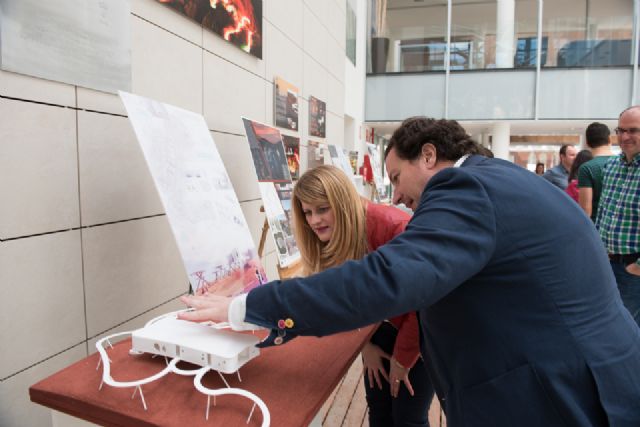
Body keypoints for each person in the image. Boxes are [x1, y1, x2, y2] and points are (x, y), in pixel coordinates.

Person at [180, 117, 640, 426]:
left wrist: (246, 306)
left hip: (557, 395)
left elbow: (387, 281)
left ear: (427, 156)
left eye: (396, 178)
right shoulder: (495, 180)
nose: (395, 196)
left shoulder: (465, 188)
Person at [290, 165, 433, 426]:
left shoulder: (396, 228)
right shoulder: (332, 236)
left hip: (420, 337)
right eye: (307, 212)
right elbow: (344, 302)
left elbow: (422, 307)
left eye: (322, 209)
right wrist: (366, 345)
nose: (314, 221)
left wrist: (402, 359)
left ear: (343, 202)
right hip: (377, 332)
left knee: (408, 418)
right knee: (379, 411)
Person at [596, 106, 640, 328]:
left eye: (633, 130)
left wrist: (637, 266)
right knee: (610, 324)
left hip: (634, 268)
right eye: (620, 130)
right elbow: (604, 211)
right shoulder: (611, 166)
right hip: (607, 264)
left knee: (626, 329)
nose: (624, 136)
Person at [577, 122, 614, 221]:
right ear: (610, 139)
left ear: (587, 143)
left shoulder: (587, 168)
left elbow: (585, 210)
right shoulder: (623, 163)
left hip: (596, 227)